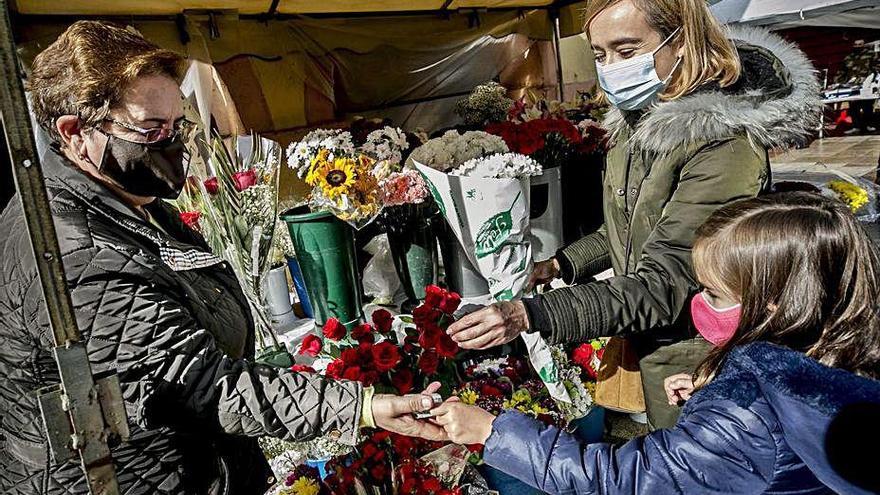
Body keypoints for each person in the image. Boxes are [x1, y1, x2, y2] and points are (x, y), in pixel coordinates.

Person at [0, 21, 445, 494]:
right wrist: (361, 407)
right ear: (75, 133)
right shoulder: (73, 251)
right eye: (152, 129)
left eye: (178, 125)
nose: (174, 143)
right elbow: (201, 384)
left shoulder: (132, 205)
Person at [446, 0, 821, 429]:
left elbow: (667, 282)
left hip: (698, 359)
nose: (611, 69)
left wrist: (532, 314)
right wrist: (559, 264)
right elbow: (626, 229)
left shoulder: (721, 145)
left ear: (680, 42)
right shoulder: (638, 123)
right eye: (600, 55)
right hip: (651, 344)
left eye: (626, 51)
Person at [431, 192, 880, 494]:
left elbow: (626, 480)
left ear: (775, 305)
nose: (698, 302)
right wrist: (716, 390)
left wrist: (494, 432)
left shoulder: (746, 415)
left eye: (714, 293)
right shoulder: (840, 355)